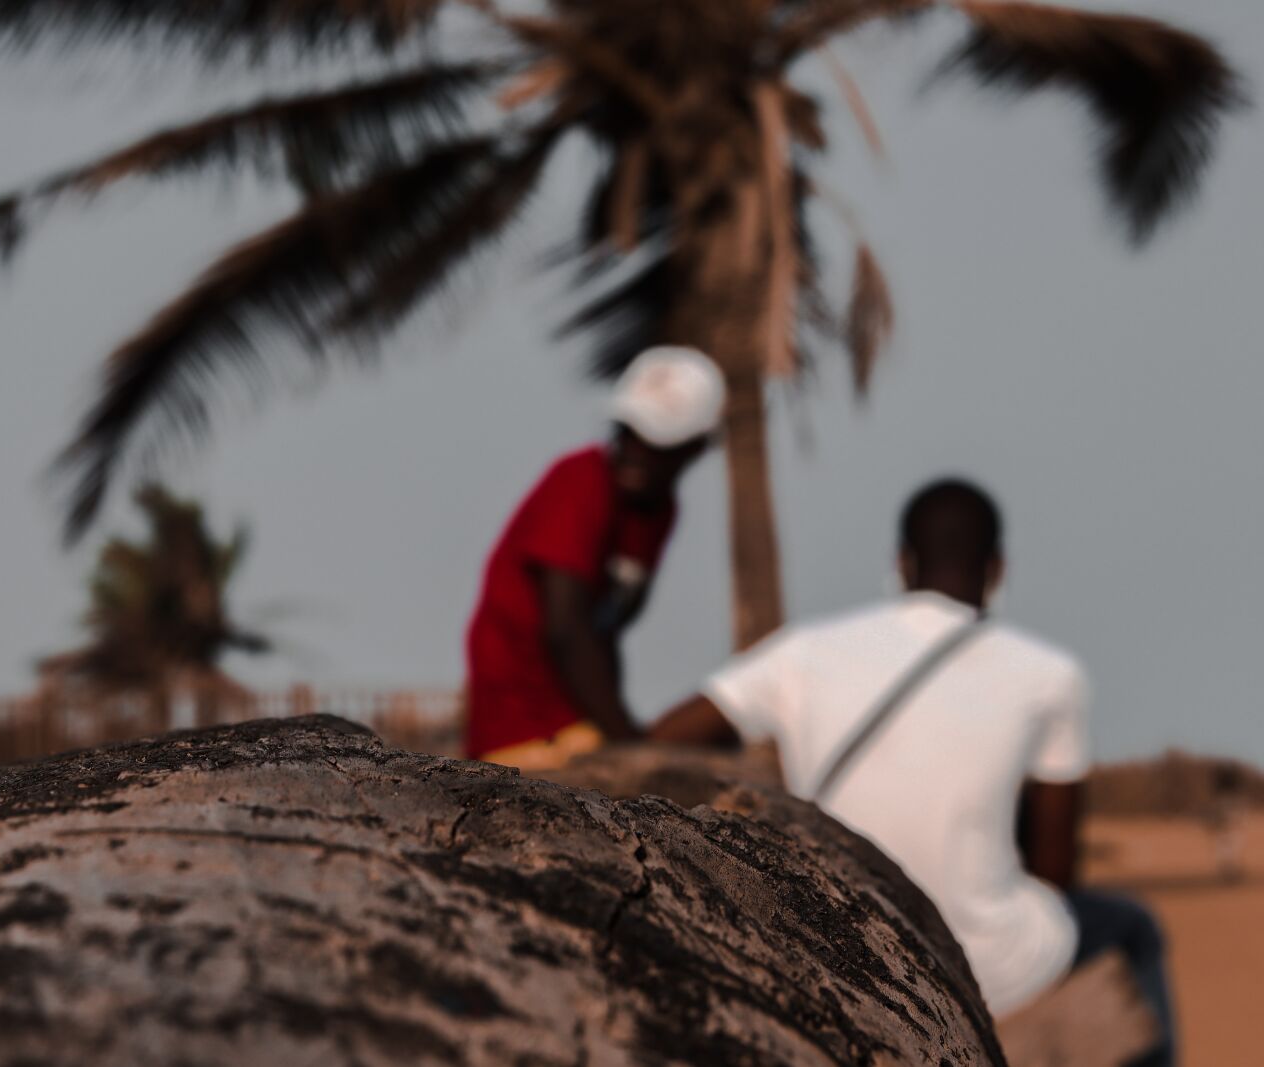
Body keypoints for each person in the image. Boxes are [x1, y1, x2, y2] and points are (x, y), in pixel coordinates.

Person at [651, 479, 1175, 1063]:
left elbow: (665, 739)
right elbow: (1056, 874)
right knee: (1133, 927)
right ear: (997, 568)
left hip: (843, 949)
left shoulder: (802, 651)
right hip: (991, 970)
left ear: (901, 563)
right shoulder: (1050, 675)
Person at [464, 346, 722, 770]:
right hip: (526, 730)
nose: (634, 450)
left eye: (655, 440)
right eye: (627, 430)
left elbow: (606, 629)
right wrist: (627, 742)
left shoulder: (658, 513)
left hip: (579, 722)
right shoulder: (582, 482)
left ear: (696, 448)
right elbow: (567, 629)